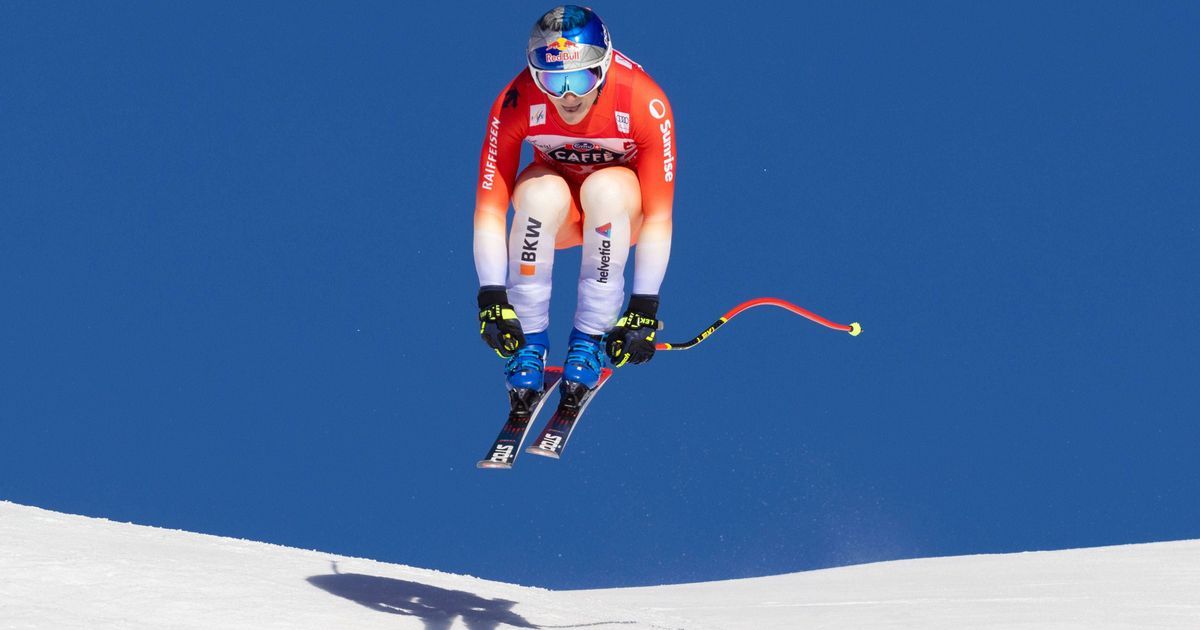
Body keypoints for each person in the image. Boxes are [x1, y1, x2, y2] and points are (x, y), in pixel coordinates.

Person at [473, 5, 676, 400]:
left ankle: (590, 338)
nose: (567, 95)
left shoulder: (643, 102)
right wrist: (492, 297)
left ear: (602, 68)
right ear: (535, 76)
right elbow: (490, 209)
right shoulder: (515, 103)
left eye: (581, 79)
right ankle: (528, 345)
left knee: (608, 186)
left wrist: (643, 305)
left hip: (618, 216)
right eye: (552, 79)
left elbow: (659, 215)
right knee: (535, 193)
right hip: (560, 216)